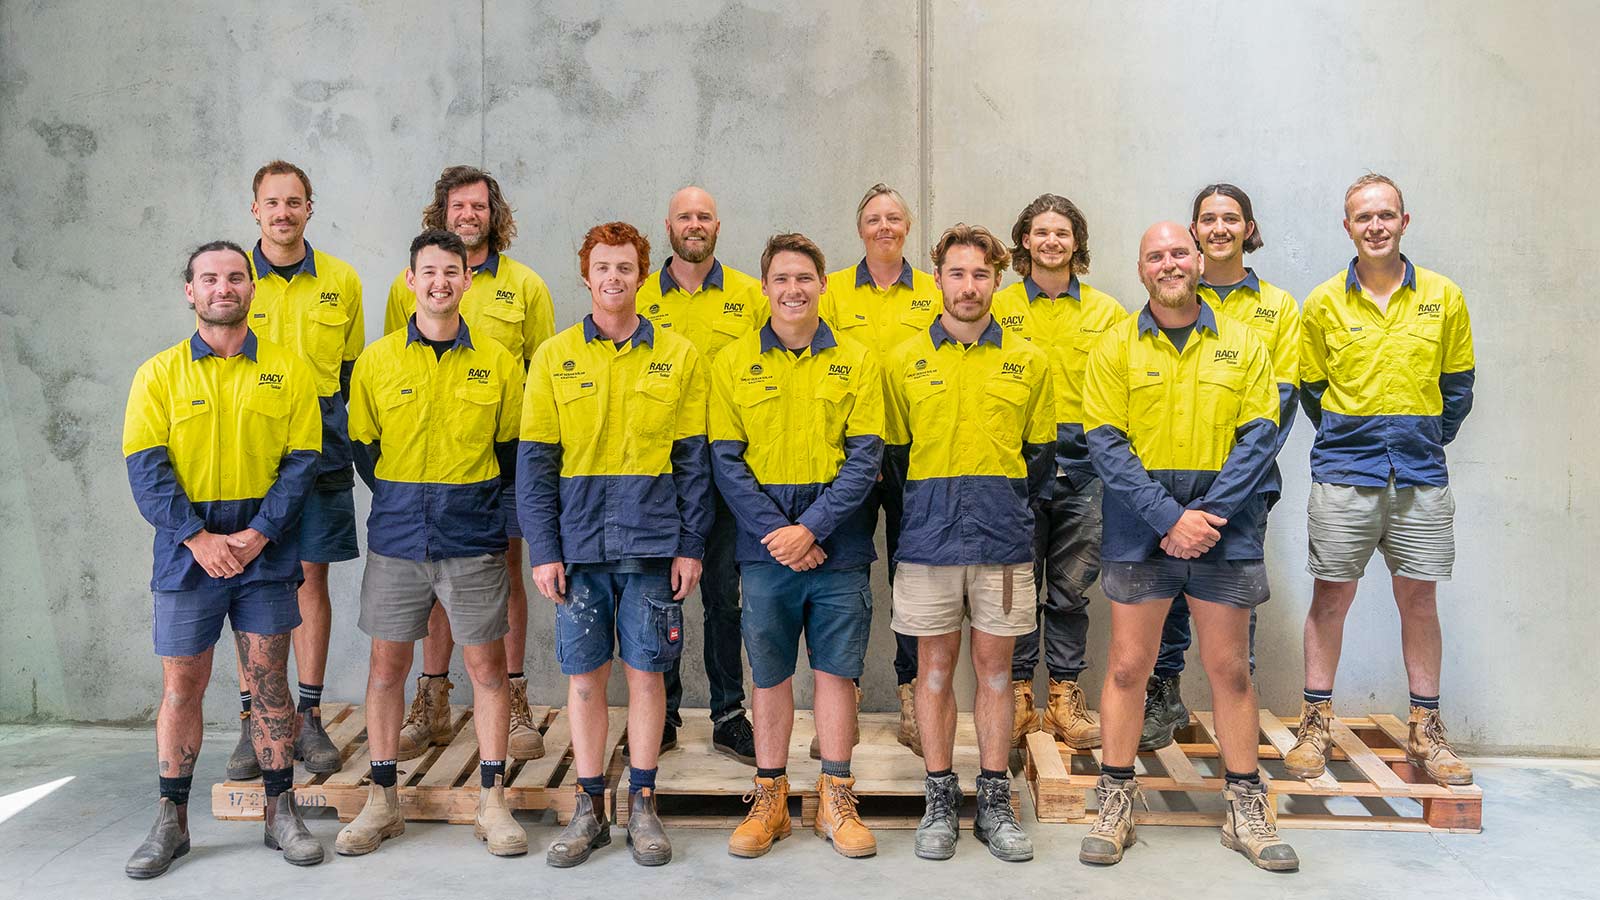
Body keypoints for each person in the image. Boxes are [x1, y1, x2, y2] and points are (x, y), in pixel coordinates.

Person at [1077, 221, 1296, 872]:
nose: (1169, 264)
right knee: (1125, 669)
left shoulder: (1245, 344)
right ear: (1141, 269)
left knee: (1229, 670)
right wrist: (1169, 518)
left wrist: (1210, 515)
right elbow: (1107, 446)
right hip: (1140, 525)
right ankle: (1117, 801)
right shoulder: (1115, 347)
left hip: (1224, 526)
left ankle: (1245, 807)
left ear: (1199, 259)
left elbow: (1260, 437)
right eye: (1156, 256)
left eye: (1179, 252)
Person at [122, 241, 324, 877]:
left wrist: (261, 533)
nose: (223, 287)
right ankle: (171, 820)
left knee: (268, 684)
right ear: (190, 291)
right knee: (182, 686)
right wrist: (197, 537)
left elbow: (302, 464)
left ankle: (278, 812)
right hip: (188, 555)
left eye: (235, 277)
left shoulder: (288, 372)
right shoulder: (158, 375)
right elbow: (147, 470)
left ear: (252, 288)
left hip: (264, 551)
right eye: (209, 278)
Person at [521, 222, 713, 868]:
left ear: (641, 275)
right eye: (602, 268)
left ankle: (643, 804)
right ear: (586, 275)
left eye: (625, 268)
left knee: (648, 676)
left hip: (654, 547)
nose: (613, 279)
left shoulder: (679, 356)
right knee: (583, 680)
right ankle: (588, 807)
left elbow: (693, 463)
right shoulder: (553, 357)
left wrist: (691, 545)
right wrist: (544, 549)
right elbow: (537, 465)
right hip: (578, 550)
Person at [1286, 174, 1476, 787]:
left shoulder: (1443, 298)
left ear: (1404, 220)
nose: (1375, 226)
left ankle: (1427, 728)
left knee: (1419, 598)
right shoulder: (1322, 304)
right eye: (1362, 217)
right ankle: (1315, 725)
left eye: (1385, 215)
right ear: (1347, 226)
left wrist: (1420, 438)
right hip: (1344, 472)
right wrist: (1354, 438)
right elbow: (1311, 390)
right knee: (1331, 597)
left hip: (1420, 475)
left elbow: (1458, 390)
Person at [883, 223, 1050, 862]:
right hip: (927, 541)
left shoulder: (1030, 361)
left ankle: (995, 801)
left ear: (997, 281)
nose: (969, 286)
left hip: (1004, 541)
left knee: (997, 672)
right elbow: (894, 458)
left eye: (981, 274)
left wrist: (998, 509)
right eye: (957, 273)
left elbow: (1039, 458)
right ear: (938, 280)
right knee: (931, 671)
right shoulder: (903, 362)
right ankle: (939, 798)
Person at [715, 234, 883, 859]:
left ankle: (836, 798)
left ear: (822, 285)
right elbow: (727, 463)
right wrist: (781, 536)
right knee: (771, 676)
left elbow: (865, 458)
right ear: (765, 288)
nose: (793, 290)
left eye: (805, 278)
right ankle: (772, 801)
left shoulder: (858, 362)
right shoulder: (733, 364)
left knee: (837, 675)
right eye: (781, 279)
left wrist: (811, 529)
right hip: (766, 551)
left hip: (838, 546)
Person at [382, 166, 556, 763]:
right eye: (458, 206)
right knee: (429, 577)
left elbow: (544, 378)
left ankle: (511, 701)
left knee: (506, 569)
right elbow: (390, 370)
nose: (468, 215)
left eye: (479, 206)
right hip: (425, 470)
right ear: (442, 212)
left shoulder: (526, 286)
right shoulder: (412, 282)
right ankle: (431, 700)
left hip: (501, 460)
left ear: (494, 213)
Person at [1140, 183, 1302, 750]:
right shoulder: (1175, 290)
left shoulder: (1277, 308)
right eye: (1206, 219)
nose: (1219, 228)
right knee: (1170, 593)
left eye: (1231, 218)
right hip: (1166, 481)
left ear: (1248, 228)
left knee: (1231, 603)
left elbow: (1277, 407)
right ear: (1192, 234)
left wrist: (1224, 494)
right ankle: (1163, 694)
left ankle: (1236, 707)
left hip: (1242, 486)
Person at [224, 160, 365, 781]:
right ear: (255, 210)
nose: (283, 212)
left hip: (324, 450)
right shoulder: (232, 277)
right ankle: (256, 718)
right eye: (272, 202)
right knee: (247, 577)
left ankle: (307, 716)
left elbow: (354, 374)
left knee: (311, 579)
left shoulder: (342, 280)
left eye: (294, 202)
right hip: (247, 453)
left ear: (311, 207)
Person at [990, 194, 1127, 751]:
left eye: (1062, 233)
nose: (1051, 241)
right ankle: (1019, 697)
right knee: (1015, 589)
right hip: (1015, 465)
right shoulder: (996, 308)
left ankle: (1065, 698)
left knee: (1071, 590)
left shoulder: (1107, 313)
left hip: (1086, 466)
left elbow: (1125, 392)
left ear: (1077, 243)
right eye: (1041, 232)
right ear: (1024, 240)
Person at [637, 186, 764, 764]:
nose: (695, 224)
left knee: (723, 597)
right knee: (660, 597)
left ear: (719, 224)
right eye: (685, 216)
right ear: (668, 225)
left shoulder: (749, 296)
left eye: (704, 216)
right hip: (657, 474)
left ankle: (728, 714)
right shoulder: (637, 294)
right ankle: (661, 714)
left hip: (729, 472)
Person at [818, 183, 943, 756]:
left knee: (912, 578)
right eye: (873, 218)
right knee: (841, 578)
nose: (884, 227)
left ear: (908, 226)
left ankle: (913, 699)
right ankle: (838, 703)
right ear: (859, 228)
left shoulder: (934, 291)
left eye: (894, 218)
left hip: (918, 454)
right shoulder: (833, 291)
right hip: (851, 456)